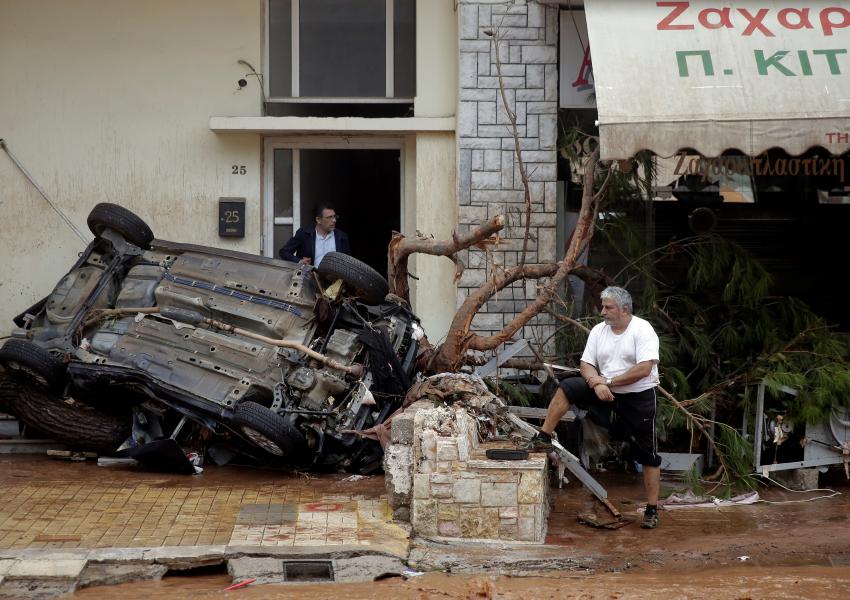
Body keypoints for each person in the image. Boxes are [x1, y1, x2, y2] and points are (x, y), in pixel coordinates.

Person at [525, 286, 663, 529]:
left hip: (637, 395)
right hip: (604, 388)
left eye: (608, 308)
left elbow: (644, 368)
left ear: (624, 309)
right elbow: (586, 364)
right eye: (603, 307)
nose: (603, 312)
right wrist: (594, 382)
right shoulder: (600, 331)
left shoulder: (642, 330)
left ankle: (652, 509)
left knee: (648, 453)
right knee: (568, 387)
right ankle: (544, 436)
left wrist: (607, 381)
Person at [278, 204, 351, 267]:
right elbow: (284, 252)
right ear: (318, 220)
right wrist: (299, 261)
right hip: (309, 280)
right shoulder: (304, 234)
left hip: (335, 281)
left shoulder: (341, 237)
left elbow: (348, 264)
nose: (334, 220)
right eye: (329, 217)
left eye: (335, 217)